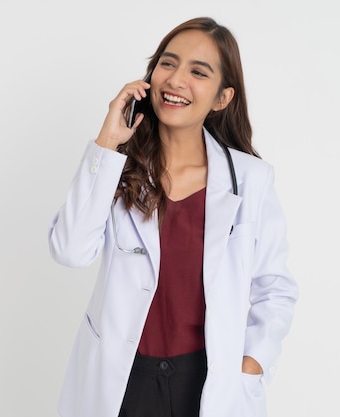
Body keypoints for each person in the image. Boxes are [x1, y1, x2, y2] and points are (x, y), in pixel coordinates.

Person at [48, 16, 298, 417]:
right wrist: (107, 142)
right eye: (168, 63)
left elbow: (275, 289)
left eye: (198, 72)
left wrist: (252, 364)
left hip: (206, 383)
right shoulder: (116, 167)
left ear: (222, 98)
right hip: (123, 381)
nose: (176, 79)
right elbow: (70, 250)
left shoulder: (250, 180)